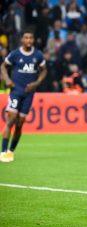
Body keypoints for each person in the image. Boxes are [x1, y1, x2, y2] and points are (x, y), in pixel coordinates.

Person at [0, 30, 47, 162]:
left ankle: (11, 151)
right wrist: (7, 80)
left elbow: (44, 70)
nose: (28, 40)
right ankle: (3, 151)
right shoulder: (15, 54)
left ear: (33, 40)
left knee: (20, 124)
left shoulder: (37, 55)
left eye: (30, 38)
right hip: (16, 91)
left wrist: (37, 82)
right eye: (26, 38)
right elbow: (3, 66)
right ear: (22, 40)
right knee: (11, 119)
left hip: (29, 93)